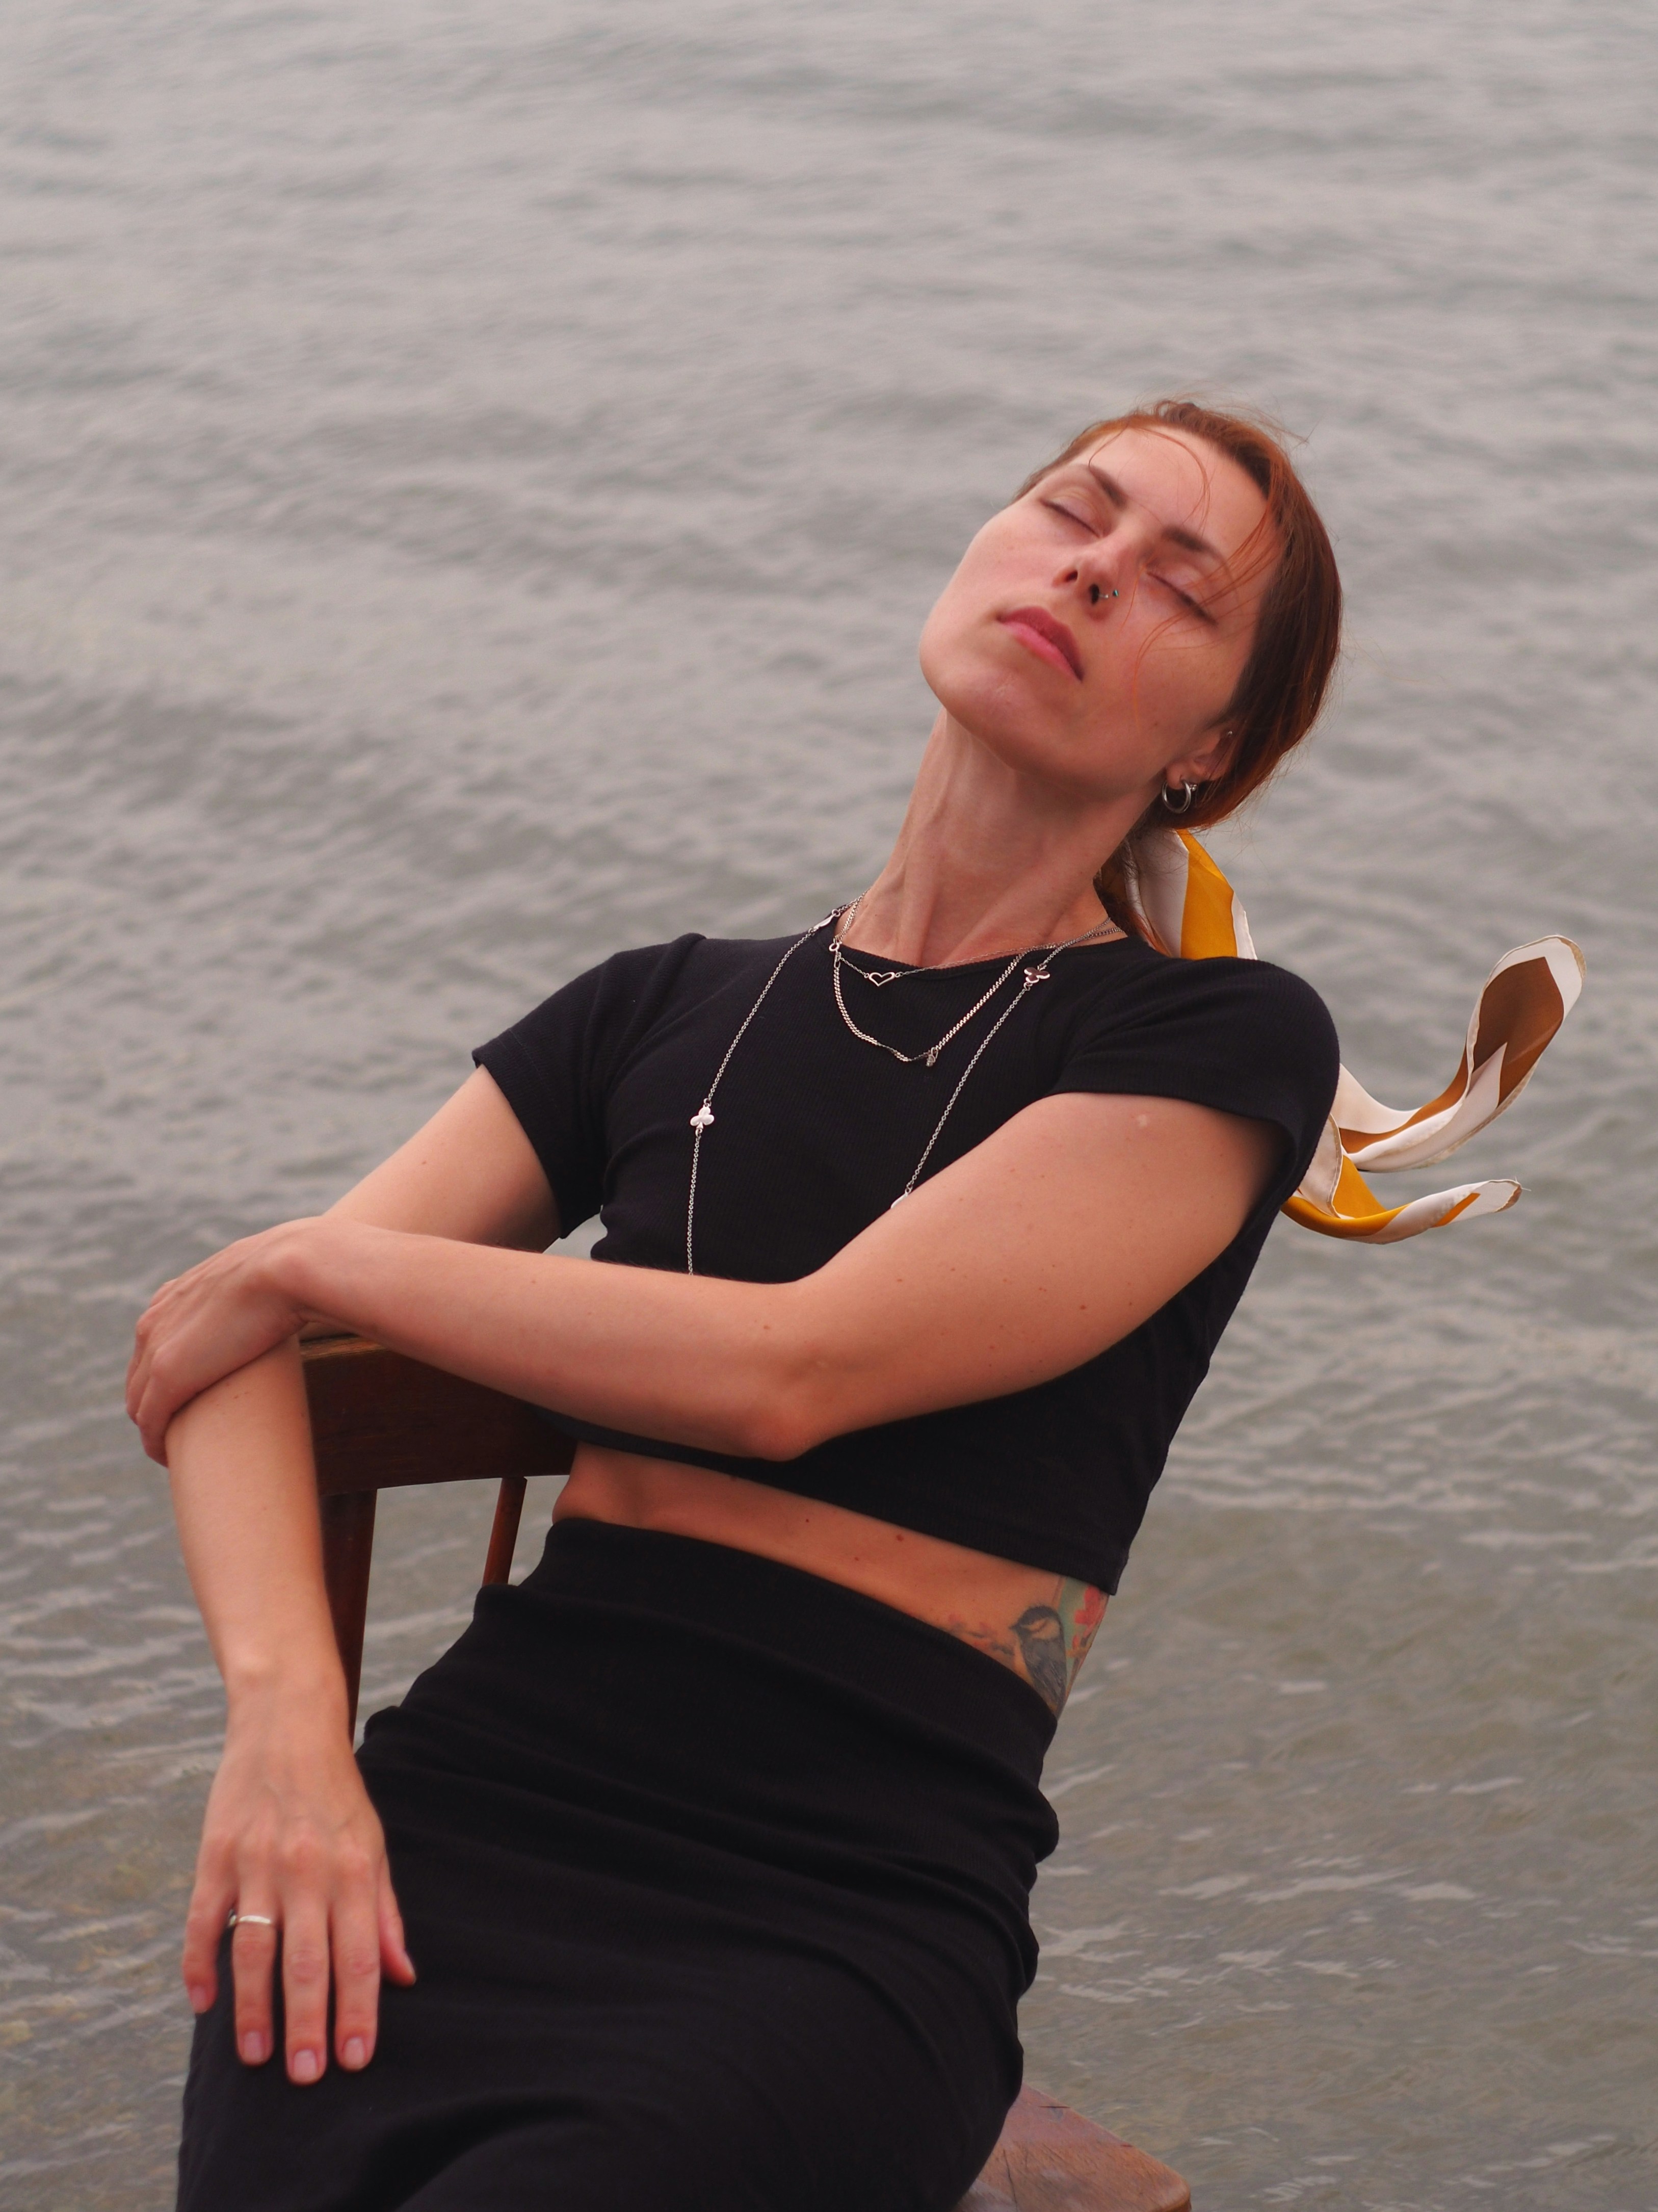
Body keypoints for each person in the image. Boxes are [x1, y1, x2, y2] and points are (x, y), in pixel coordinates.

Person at [129, 400, 1345, 2212]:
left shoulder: (1216, 1044)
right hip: (470, 1808)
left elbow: (799, 1369)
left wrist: (313, 1256)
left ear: (1217, 744)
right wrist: (289, 1727)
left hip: (837, 1903)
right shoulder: (659, 1006)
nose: (1095, 568)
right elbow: (226, 1360)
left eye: (1182, 585)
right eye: (1071, 510)